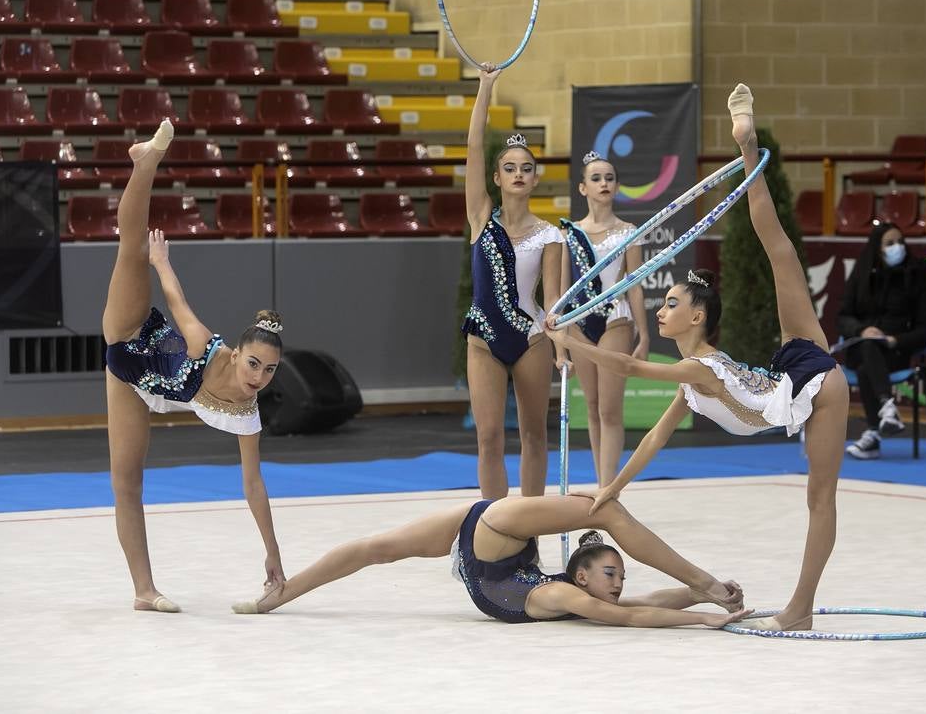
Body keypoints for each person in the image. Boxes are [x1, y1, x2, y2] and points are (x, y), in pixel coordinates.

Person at [546, 84, 850, 633]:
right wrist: (612, 490)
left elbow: (634, 367)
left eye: (670, 304)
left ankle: (800, 609)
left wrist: (571, 342)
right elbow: (653, 440)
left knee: (819, 499)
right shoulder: (695, 379)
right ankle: (747, 150)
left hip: (819, 386)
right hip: (791, 364)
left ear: (696, 319)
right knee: (777, 250)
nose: (660, 310)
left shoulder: (697, 369)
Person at [102, 119, 284, 612]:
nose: (257, 378)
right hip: (130, 337)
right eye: (253, 364)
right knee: (132, 250)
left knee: (129, 480)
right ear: (237, 353)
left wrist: (273, 552)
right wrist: (161, 263)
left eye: (268, 372)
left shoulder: (247, 414)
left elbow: (253, 485)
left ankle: (144, 594)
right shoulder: (207, 347)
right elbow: (178, 304)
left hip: (140, 385)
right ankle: (146, 164)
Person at [234, 493, 750, 629]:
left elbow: (637, 605)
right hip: (492, 534)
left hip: (487, 538)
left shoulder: (566, 594)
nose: (617, 585)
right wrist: (705, 609)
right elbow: (633, 613)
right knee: (607, 510)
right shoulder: (564, 596)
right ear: (582, 573)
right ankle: (283, 593)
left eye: (617, 577)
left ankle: (282, 593)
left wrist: (701, 605)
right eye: (611, 574)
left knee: (377, 548)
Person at [463, 64, 562, 499]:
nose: (518, 173)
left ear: (535, 178)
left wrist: (564, 348)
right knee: (488, 440)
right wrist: (486, 87)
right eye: (509, 167)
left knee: (534, 436)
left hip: (531, 339)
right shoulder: (481, 218)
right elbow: (472, 146)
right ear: (497, 177)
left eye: (526, 167)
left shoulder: (551, 235)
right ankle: (491, 531)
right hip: (483, 339)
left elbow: (555, 301)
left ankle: (530, 528)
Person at [558, 151, 651, 484]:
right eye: (596, 179)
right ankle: (602, 482)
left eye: (609, 178)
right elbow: (565, 292)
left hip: (616, 319)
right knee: (594, 407)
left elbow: (635, 285)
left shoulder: (629, 231)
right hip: (581, 324)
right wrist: (562, 344)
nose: (603, 183)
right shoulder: (569, 234)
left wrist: (644, 333)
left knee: (610, 409)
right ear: (583, 188)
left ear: (617, 186)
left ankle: (609, 488)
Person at [838, 224, 926, 460]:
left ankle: (876, 428)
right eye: (890, 243)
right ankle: (886, 411)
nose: (898, 248)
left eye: (900, 242)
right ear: (877, 249)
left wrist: (896, 340)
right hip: (860, 347)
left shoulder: (916, 277)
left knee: (866, 366)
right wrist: (861, 330)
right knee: (868, 346)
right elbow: (843, 317)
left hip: (896, 351)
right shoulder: (862, 274)